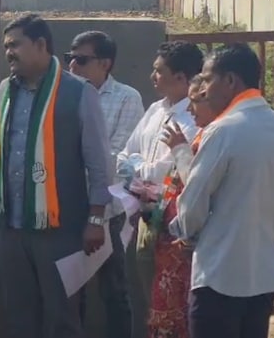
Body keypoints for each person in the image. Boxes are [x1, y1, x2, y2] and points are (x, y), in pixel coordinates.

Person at [0, 14, 113, 338]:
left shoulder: (78, 92)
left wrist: (96, 219)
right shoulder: (6, 91)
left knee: (63, 316)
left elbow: (99, 163)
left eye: (15, 45)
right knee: (19, 316)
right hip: (10, 225)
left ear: (40, 44)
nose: (9, 52)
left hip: (60, 229)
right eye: (6, 46)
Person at [169, 43, 274, 338]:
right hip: (263, 276)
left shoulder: (223, 130)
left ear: (230, 81)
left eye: (207, 80)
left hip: (218, 275)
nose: (204, 90)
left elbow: (193, 204)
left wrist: (186, 233)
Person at [116, 40, 203, 321]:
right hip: (146, 218)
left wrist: (139, 169)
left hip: (174, 224)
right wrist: (142, 170)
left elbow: (167, 174)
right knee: (147, 296)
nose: (152, 76)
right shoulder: (155, 110)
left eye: (159, 71)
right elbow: (123, 159)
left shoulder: (194, 119)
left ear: (181, 77)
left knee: (174, 301)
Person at [67, 30, 144, 338]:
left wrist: (76, 169)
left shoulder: (126, 98)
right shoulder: (66, 96)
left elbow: (117, 159)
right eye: (69, 58)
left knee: (114, 289)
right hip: (69, 207)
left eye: (81, 60)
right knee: (72, 291)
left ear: (105, 64)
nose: (72, 66)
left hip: (109, 211)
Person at [147, 76, 215, 338]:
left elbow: (197, 187)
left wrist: (179, 150)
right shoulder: (200, 134)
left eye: (195, 101)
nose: (189, 109)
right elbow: (174, 180)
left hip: (189, 244)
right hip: (170, 238)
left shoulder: (215, 139)